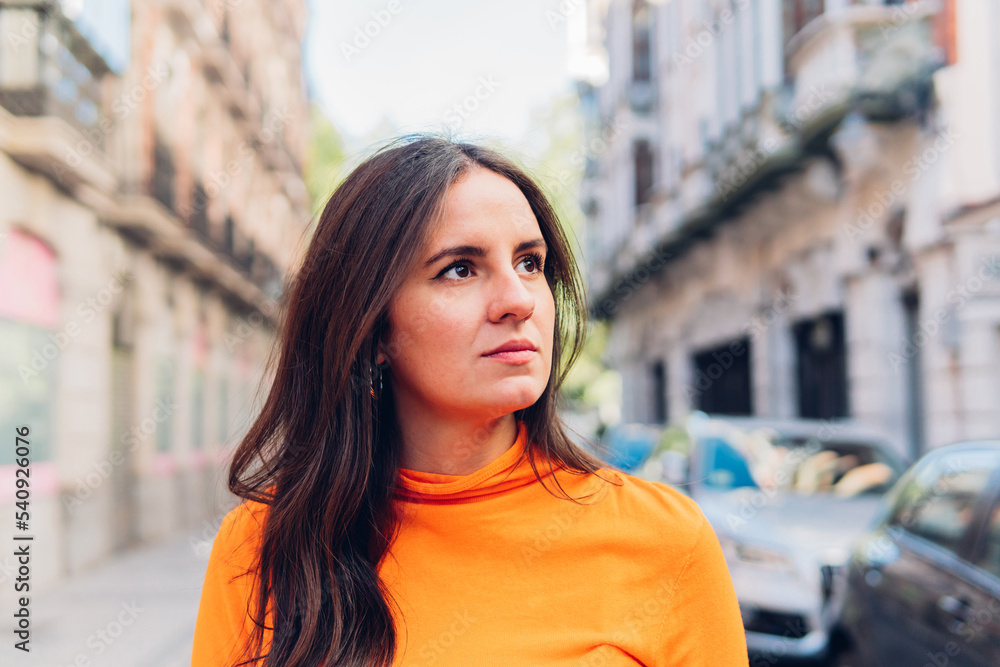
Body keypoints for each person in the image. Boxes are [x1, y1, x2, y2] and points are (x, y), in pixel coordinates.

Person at [191, 135, 749, 667]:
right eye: (460, 269)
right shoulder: (263, 546)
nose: (517, 300)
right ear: (373, 329)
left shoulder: (664, 541)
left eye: (530, 263)